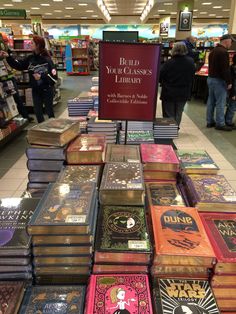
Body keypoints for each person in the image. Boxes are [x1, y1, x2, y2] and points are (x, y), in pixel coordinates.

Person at [0, 35, 57, 123]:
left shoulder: (47, 59)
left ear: (37, 45)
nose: (29, 45)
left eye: (32, 43)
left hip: (47, 90)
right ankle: (41, 132)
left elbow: (54, 76)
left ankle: (53, 132)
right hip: (35, 90)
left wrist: (41, 77)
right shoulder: (30, 58)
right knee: (38, 113)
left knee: (49, 113)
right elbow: (19, 66)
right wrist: (8, 57)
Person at [159, 42, 195, 127]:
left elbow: (161, 76)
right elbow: (192, 76)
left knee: (168, 112)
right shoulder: (190, 62)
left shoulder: (169, 63)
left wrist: (162, 82)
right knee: (179, 111)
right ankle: (175, 128)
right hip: (184, 92)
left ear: (174, 50)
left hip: (169, 92)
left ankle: (169, 130)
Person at [0, 32, 33, 122]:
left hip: (9, 77)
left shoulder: (6, 49)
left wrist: (9, 56)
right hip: (4, 77)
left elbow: (13, 58)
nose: (6, 43)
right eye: (5, 41)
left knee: (16, 98)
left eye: (5, 41)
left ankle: (25, 116)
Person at [206, 34, 232, 131]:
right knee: (220, 102)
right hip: (219, 80)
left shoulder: (213, 51)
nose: (231, 44)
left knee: (211, 101)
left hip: (210, 79)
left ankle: (209, 121)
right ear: (226, 41)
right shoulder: (223, 52)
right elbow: (225, 69)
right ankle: (220, 123)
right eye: (230, 41)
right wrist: (229, 82)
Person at [225, 54, 236, 129]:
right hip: (233, 92)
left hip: (232, 91)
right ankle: (228, 121)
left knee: (231, 106)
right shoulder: (233, 69)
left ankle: (227, 120)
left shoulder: (231, 67)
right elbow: (234, 83)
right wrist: (233, 94)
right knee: (232, 106)